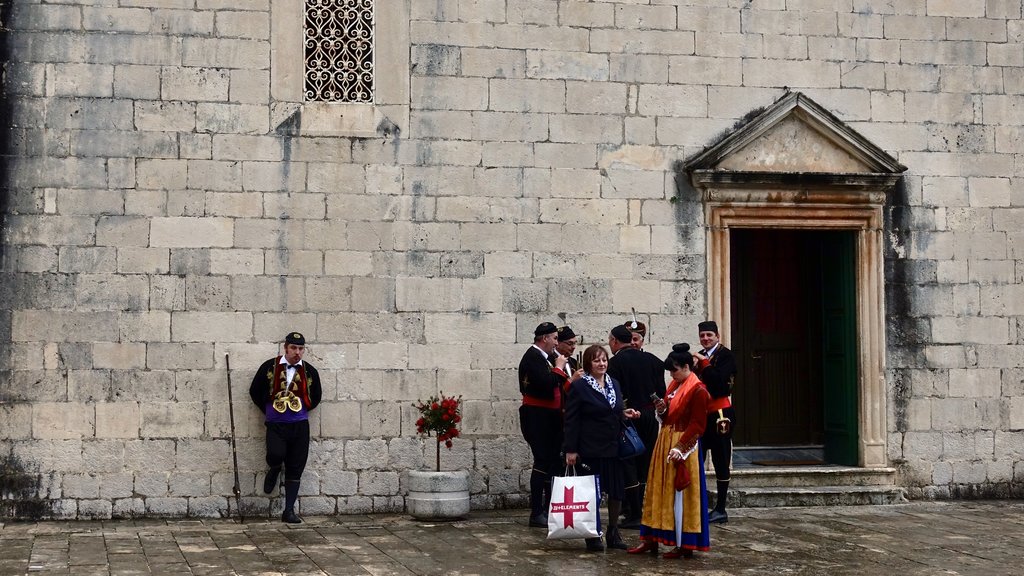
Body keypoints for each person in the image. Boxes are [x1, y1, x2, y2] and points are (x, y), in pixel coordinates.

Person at [627, 343, 711, 559]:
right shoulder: (674, 386)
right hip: (665, 440)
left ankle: (684, 543)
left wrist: (680, 447)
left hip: (683, 445)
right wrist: (662, 411)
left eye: (674, 369)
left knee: (680, 495)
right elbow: (667, 416)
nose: (671, 374)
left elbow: (698, 425)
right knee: (657, 490)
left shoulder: (698, 390)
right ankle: (651, 538)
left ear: (685, 366)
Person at [563, 344, 641, 552]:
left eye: (604, 360)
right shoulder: (580, 387)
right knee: (592, 494)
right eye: (597, 360)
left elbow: (614, 410)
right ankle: (593, 534)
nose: (602, 364)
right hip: (590, 448)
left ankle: (613, 532)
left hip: (613, 448)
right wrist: (570, 449)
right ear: (589, 363)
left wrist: (626, 413)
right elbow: (571, 419)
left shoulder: (613, 383)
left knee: (616, 491)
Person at [249, 331, 323, 524]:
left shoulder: (309, 371)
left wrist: (299, 410)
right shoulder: (269, 367)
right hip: (276, 424)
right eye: (293, 348)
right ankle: (274, 467)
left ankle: (288, 511)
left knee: (296, 465)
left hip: (299, 425)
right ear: (285, 348)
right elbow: (255, 391)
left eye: (300, 349)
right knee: (275, 453)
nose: (297, 352)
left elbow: (316, 396)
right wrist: (268, 410)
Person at [607, 324, 662, 529]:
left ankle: (634, 513)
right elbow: (661, 391)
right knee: (645, 463)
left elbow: (614, 394)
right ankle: (644, 510)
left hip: (629, 416)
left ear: (614, 341)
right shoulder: (653, 361)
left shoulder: (615, 363)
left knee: (628, 462)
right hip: (649, 415)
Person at [519, 322, 572, 527]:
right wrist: (558, 368)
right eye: (555, 339)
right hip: (537, 416)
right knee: (541, 461)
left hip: (550, 417)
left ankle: (550, 507)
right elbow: (546, 384)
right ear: (544, 339)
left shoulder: (545, 357)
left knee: (552, 462)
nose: (556, 343)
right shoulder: (533, 357)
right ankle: (536, 512)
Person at [694, 320, 738, 524]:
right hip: (703, 413)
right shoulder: (700, 355)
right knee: (698, 457)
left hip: (721, 413)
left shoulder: (725, 355)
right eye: (702, 335)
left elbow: (720, 385)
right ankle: (698, 503)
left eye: (709, 335)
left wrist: (704, 365)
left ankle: (720, 507)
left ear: (717, 336)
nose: (705, 339)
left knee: (721, 459)